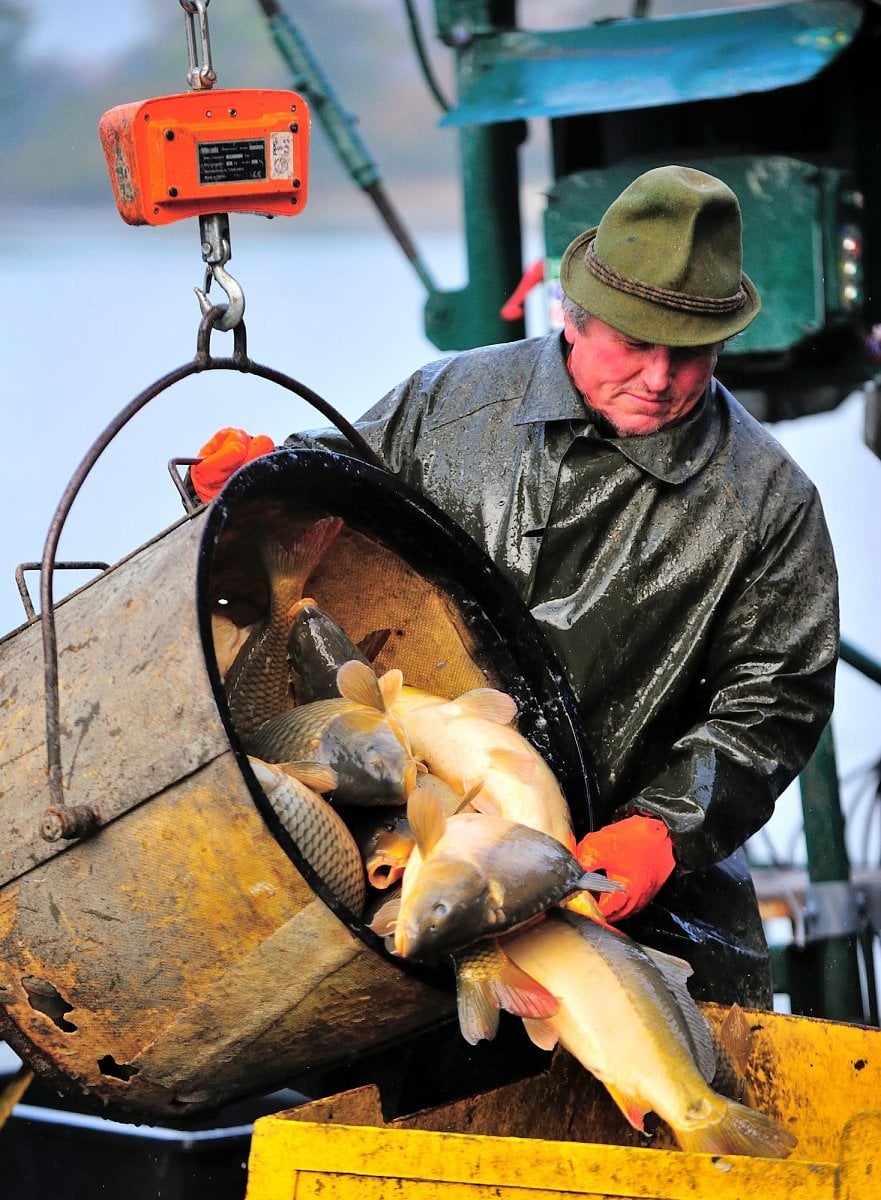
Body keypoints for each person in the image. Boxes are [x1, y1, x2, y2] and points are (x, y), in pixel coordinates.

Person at [197, 165, 839, 1008]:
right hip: (406, 849)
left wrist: (663, 831)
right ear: (572, 318)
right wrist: (259, 478)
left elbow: (775, 703)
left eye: (690, 356)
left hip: (634, 903)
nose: (658, 378)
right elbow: (328, 485)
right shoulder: (444, 399)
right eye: (635, 345)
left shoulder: (769, 500)